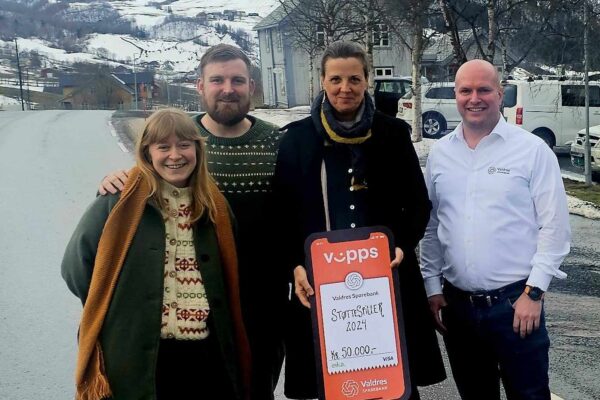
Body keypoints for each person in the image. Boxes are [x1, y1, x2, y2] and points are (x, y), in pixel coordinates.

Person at [98, 44, 286, 400]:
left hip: (262, 302)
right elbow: (147, 183)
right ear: (200, 85)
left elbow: (298, 213)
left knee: (256, 389)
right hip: (198, 301)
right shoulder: (180, 144)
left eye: (237, 80)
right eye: (217, 80)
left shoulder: (279, 143)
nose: (228, 88)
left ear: (252, 86)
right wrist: (119, 182)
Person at [274, 41, 446, 400]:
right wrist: (295, 265)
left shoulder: (392, 134)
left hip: (387, 278)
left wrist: (400, 244)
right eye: (335, 79)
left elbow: (417, 205)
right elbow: (283, 213)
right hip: (321, 286)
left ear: (367, 80)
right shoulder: (297, 139)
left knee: (396, 387)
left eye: (354, 78)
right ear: (322, 81)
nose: (344, 88)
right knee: (333, 385)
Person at [62, 108, 251, 399]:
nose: (175, 155)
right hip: (137, 355)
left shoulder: (216, 208)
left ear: (197, 150)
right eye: (163, 147)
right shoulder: (118, 201)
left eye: (184, 145)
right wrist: (116, 307)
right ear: (148, 153)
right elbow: (76, 267)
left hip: (202, 355)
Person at [420, 59, 571, 400]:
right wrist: (432, 286)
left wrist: (534, 294)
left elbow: (555, 228)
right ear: (455, 95)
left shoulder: (531, 151)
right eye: (465, 90)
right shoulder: (441, 154)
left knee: (529, 395)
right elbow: (432, 227)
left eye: (484, 90)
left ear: (500, 94)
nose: (475, 98)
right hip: (458, 309)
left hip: (516, 306)